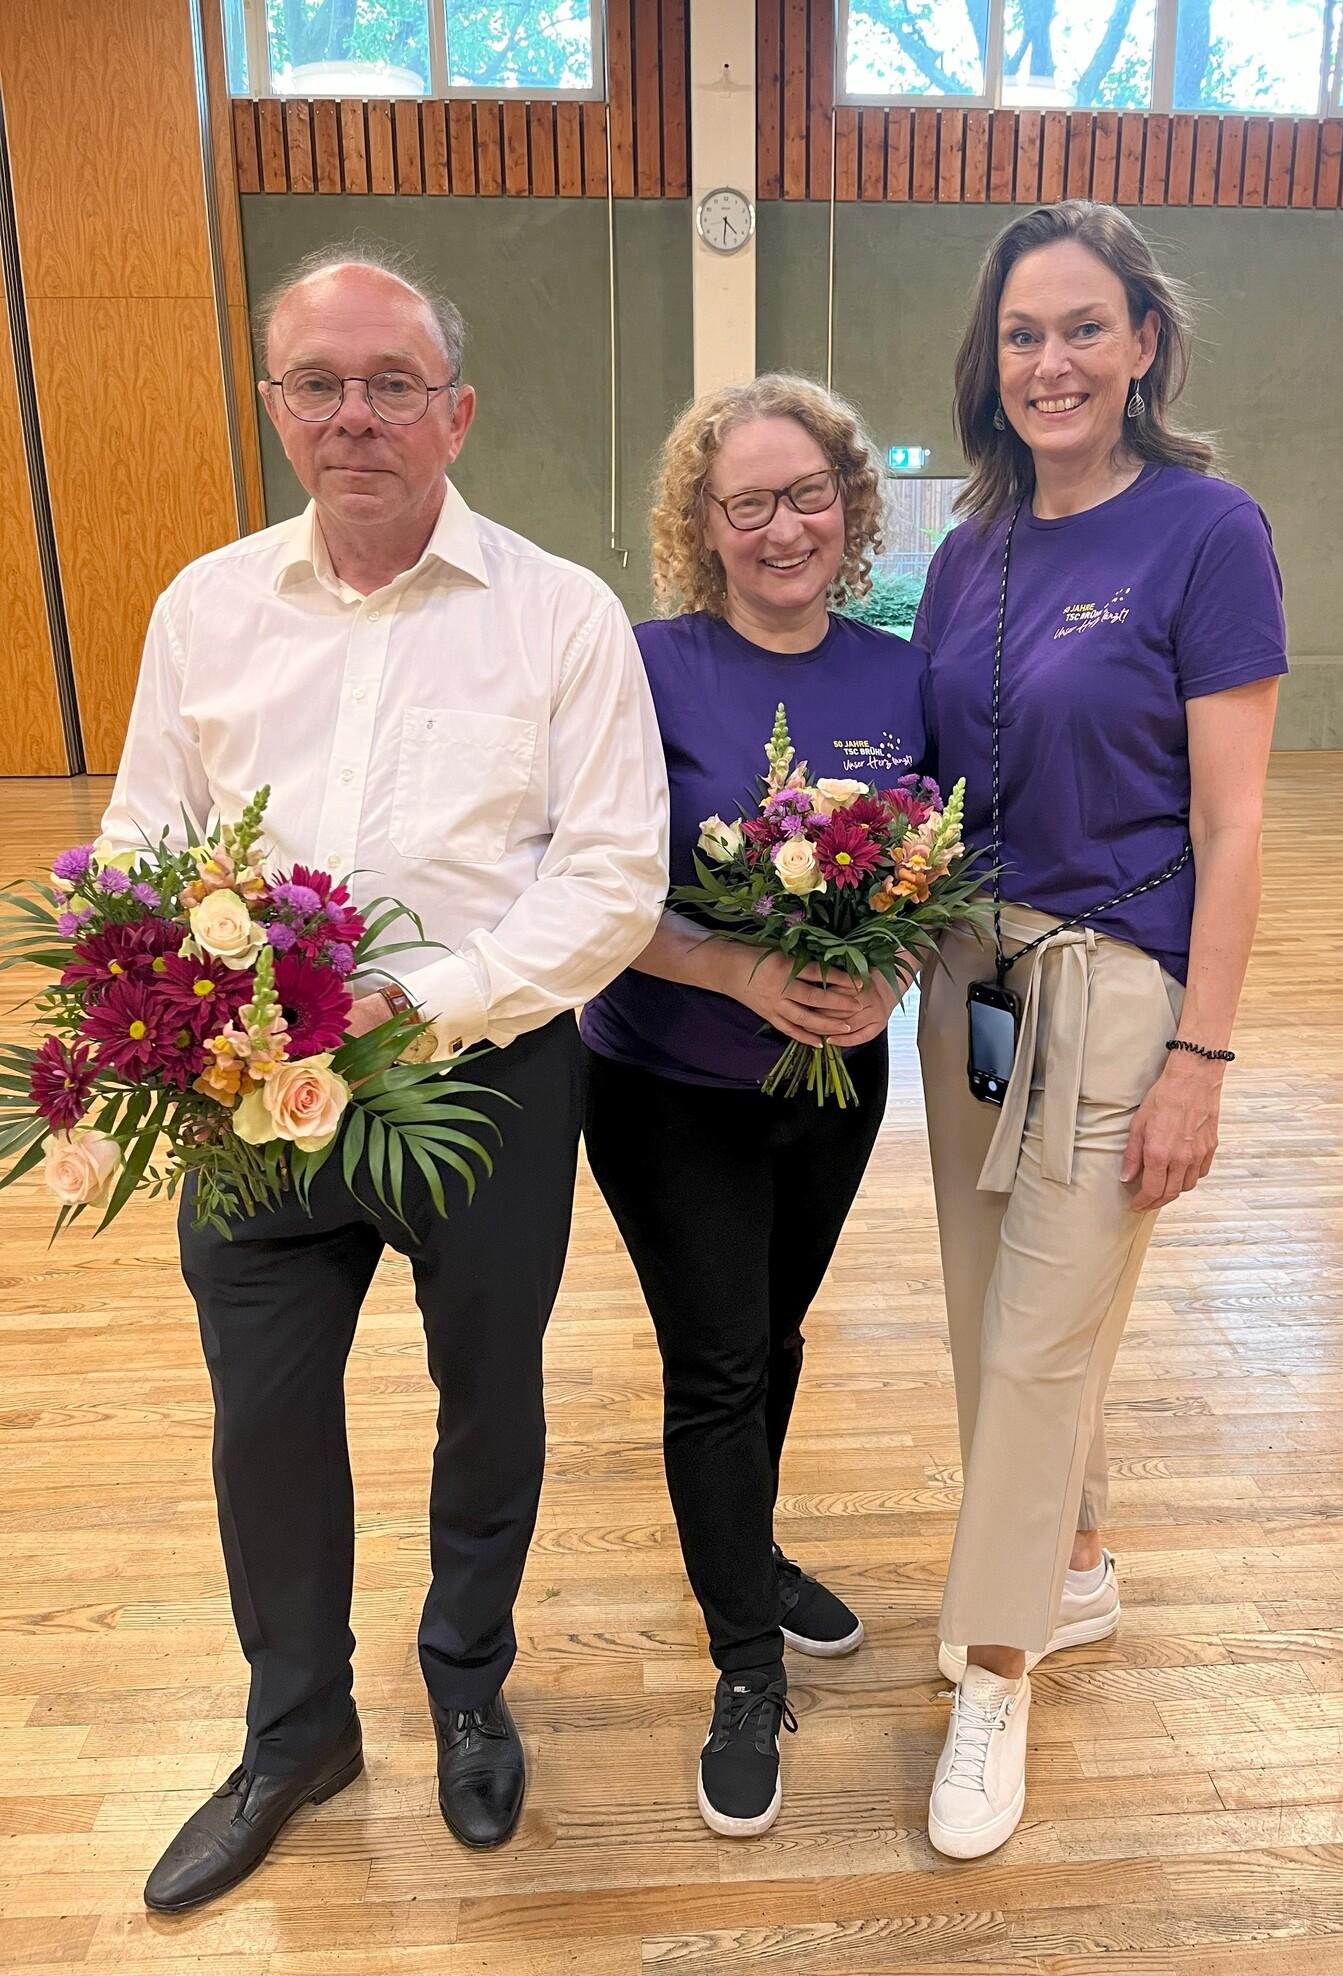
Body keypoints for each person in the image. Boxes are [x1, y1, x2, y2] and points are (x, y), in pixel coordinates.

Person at [100, 245, 669, 1912]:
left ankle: (468, 1684)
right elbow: (138, 839)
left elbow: (612, 878)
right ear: (274, 405)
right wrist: (175, 990)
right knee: (264, 1417)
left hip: (482, 1088)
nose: (354, 415)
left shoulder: (559, 615)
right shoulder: (202, 607)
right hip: (245, 1095)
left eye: (391, 384)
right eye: (318, 384)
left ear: (456, 412)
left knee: (489, 1399)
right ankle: (296, 1731)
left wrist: (416, 1006)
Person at [913, 200, 1286, 1860]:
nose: (1049, 361)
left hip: (1117, 987)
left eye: (1081, 328)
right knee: (987, 1315)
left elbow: (1235, 823)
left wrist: (1200, 1055)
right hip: (969, 986)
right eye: (1021, 334)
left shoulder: (1207, 531)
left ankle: (992, 1669)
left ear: (1142, 344)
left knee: (1040, 1340)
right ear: (988, 365)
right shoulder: (968, 550)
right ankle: (1068, 1564)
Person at [580, 374, 926, 1838]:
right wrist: (733, 970)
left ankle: (751, 1548)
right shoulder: (640, 666)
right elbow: (587, 887)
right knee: (716, 1363)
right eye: (747, 504)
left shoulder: (899, 675)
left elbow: (946, 866)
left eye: (807, 495)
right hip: (667, 1081)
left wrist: (893, 971)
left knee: (773, 1337)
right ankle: (743, 1664)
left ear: (848, 503)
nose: (782, 528)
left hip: (835, 1083)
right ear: (701, 523)